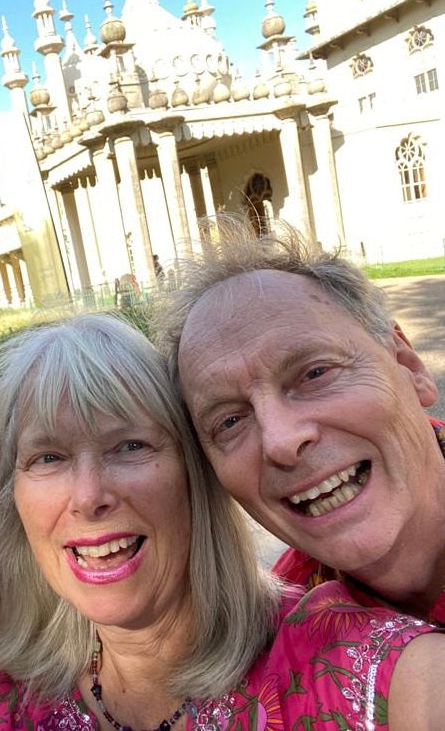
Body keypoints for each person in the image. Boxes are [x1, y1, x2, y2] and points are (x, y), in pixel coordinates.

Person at [0, 313, 444, 731]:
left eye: (130, 446)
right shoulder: (7, 696)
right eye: (48, 457)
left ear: (197, 475)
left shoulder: (356, 668)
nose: (88, 497)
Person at [164, 221, 445, 625]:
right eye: (230, 421)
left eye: (315, 373)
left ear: (408, 365)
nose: (280, 441)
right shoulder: (279, 632)